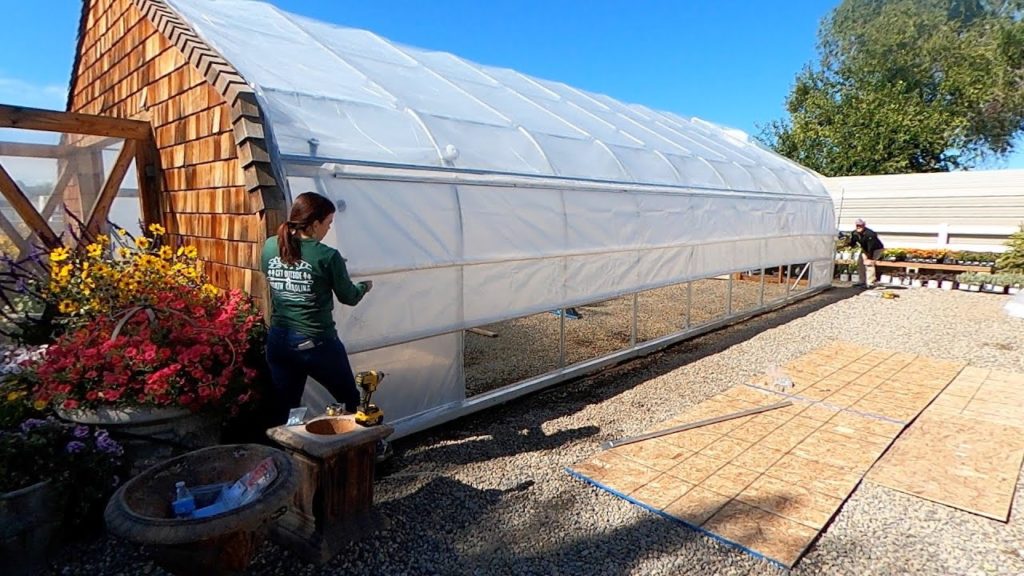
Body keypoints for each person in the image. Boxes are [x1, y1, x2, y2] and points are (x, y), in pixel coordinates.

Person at [261, 191, 373, 427]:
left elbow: (273, 274)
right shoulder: (327, 256)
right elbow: (349, 297)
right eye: (328, 223)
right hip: (316, 343)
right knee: (350, 400)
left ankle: (288, 445)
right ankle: (360, 445)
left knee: (285, 407)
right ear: (314, 224)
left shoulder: (271, 246)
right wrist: (363, 286)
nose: (329, 228)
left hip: (279, 340)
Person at [844, 218, 885, 287]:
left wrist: (869, 258)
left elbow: (871, 247)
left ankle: (870, 282)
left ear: (864, 225)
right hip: (865, 249)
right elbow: (853, 243)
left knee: (869, 264)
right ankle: (862, 281)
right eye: (857, 225)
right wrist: (846, 244)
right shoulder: (854, 233)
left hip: (876, 249)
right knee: (860, 263)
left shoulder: (870, 234)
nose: (858, 227)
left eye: (860, 225)